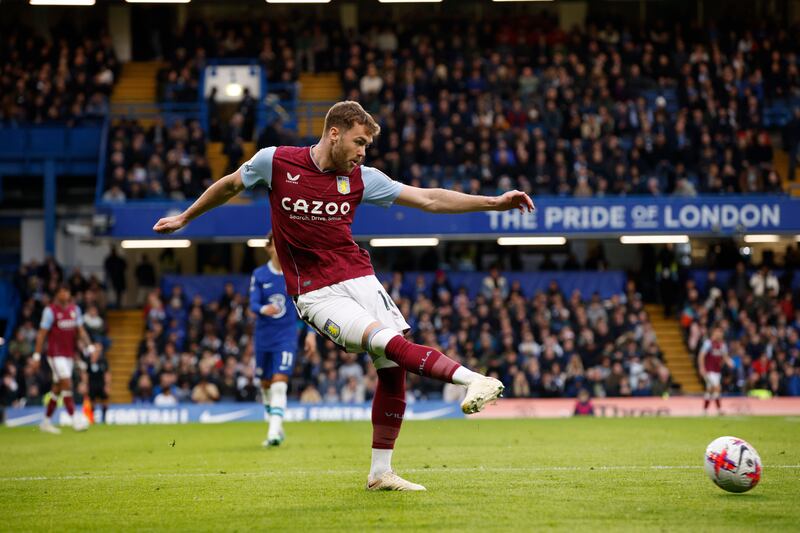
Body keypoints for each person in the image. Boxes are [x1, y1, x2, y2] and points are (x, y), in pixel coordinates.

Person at [154, 100, 534, 491]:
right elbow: (231, 184)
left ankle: (380, 472)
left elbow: (428, 199)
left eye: (366, 145)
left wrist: (494, 202)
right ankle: (470, 379)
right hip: (314, 291)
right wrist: (186, 217)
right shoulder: (276, 162)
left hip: (359, 277)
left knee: (392, 362)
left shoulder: (362, 178)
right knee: (383, 340)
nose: (362, 152)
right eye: (358, 142)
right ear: (333, 133)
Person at [250, 231, 316, 447]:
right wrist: (263, 308)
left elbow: (307, 306)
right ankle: (276, 425)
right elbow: (253, 304)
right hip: (263, 338)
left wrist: (311, 334)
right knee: (266, 385)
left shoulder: (294, 275)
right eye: (275, 244)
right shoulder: (259, 275)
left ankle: (273, 434)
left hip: (286, 338)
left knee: (279, 385)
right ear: (268, 247)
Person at [33, 284, 94, 433]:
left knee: (57, 388)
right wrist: (36, 355)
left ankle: (46, 422)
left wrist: (89, 345)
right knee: (67, 382)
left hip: (68, 354)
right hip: (55, 355)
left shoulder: (75, 310)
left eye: (67, 291)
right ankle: (75, 419)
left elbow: (80, 330)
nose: (65, 294)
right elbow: (42, 334)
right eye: (62, 291)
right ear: (57, 294)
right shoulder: (50, 311)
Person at [698, 327, 733, 415]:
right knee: (717, 388)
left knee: (709, 390)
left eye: (721, 332)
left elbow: (724, 356)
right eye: (718, 332)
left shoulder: (722, 345)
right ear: (714, 333)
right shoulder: (708, 343)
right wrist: (701, 368)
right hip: (709, 371)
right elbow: (701, 355)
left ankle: (704, 410)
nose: (720, 334)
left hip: (717, 371)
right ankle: (719, 409)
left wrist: (728, 362)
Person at [87, 343, 111, 423]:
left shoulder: (103, 360)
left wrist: (107, 385)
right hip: (92, 384)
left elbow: (107, 373)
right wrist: (85, 384)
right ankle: (92, 419)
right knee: (92, 401)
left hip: (101, 384)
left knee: (104, 400)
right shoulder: (88, 360)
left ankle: (104, 418)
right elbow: (85, 374)